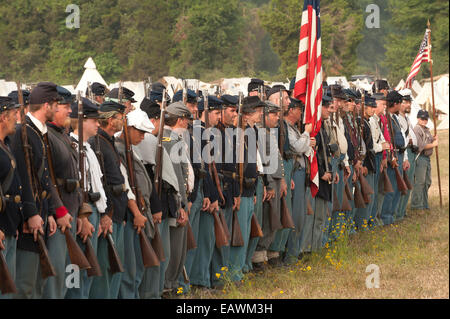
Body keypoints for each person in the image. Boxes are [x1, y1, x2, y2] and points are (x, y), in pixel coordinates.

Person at [11, 82, 66, 298]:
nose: (59, 109)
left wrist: (50, 212)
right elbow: (23, 177)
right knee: (25, 284)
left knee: (37, 283)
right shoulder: (22, 133)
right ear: (46, 105)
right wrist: (32, 212)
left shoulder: (36, 133)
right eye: (56, 104)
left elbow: (42, 179)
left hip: (40, 214)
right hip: (27, 219)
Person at [65, 97, 108, 299]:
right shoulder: (73, 148)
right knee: (76, 271)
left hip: (92, 210)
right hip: (82, 212)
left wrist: (102, 213)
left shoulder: (88, 148)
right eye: (93, 120)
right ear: (81, 122)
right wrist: (84, 216)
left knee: (89, 270)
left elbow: (97, 183)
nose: (98, 124)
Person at [41, 86, 81, 299]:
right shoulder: (47, 136)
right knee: (56, 273)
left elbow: (76, 178)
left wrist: (82, 212)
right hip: (61, 213)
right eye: (65, 106)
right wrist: (60, 210)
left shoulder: (62, 136)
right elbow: (49, 180)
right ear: (53, 108)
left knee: (68, 271)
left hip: (70, 211)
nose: (69, 111)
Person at [88, 100, 128, 299]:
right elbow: (101, 184)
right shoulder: (97, 143)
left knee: (114, 266)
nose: (123, 120)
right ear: (111, 120)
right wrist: (106, 214)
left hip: (117, 210)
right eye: (121, 117)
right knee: (105, 266)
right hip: (109, 212)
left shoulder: (108, 141)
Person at [115, 109, 156, 298]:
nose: (142, 136)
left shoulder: (130, 149)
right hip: (132, 214)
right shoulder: (119, 149)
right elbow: (125, 185)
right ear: (128, 128)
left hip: (139, 212)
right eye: (139, 132)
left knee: (137, 265)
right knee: (131, 267)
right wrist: (137, 213)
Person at [161, 101, 191, 294]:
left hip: (174, 201)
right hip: (175, 202)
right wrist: (182, 204)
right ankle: (168, 286)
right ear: (180, 120)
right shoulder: (171, 140)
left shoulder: (168, 138)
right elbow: (178, 177)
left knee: (177, 248)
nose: (188, 125)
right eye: (186, 120)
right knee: (175, 248)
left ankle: (170, 284)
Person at [0, 97, 22, 299]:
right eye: (13, 114)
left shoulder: (5, 145)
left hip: (9, 225)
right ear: (2, 118)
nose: (17, 118)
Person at [380, 90, 409, 225]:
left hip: (399, 154)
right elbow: (387, 139)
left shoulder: (395, 118)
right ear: (395, 103)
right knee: (391, 190)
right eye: (400, 102)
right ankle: (386, 217)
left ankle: (391, 215)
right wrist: (392, 156)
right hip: (393, 156)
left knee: (397, 188)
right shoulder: (386, 118)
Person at [396, 91, 418, 220]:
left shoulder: (406, 118)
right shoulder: (398, 118)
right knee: (404, 183)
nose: (408, 105)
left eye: (409, 102)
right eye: (405, 102)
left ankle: (402, 211)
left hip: (411, 152)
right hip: (405, 152)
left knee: (409, 183)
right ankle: (398, 213)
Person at [410, 110, 438, 211]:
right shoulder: (417, 129)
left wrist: (433, 138)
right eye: (422, 118)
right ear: (418, 118)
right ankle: (416, 205)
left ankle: (424, 204)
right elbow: (421, 145)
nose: (424, 121)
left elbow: (428, 139)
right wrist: (433, 144)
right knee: (420, 182)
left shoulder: (426, 129)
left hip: (427, 159)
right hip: (420, 157)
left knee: (427, 182)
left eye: (425, 119)